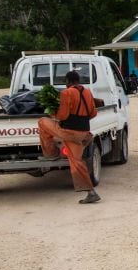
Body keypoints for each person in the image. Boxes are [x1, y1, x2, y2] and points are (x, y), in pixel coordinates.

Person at [37, 70, 101, 204]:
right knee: (76, 160)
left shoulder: (66, 93)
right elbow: (93, 113)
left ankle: (51, 153)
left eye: (65, 82)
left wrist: (54, 114)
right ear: (78, 80)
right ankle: (91, 193)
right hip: (84, 133)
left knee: (42, 122)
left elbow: (63, 116)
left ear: (68, 81)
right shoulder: (87, 92)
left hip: (70, 132)